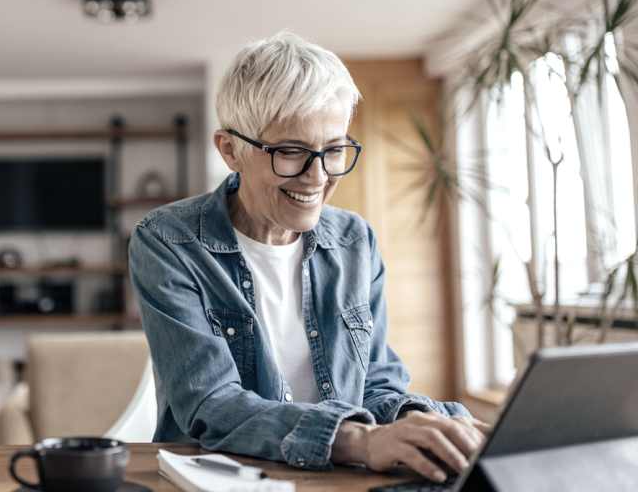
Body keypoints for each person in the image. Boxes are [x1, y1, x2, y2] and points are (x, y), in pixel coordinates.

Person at [128, 32, 487, 483]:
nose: (317, 176)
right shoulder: (168, 242)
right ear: (230, 149)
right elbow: (211, 404)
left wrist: (419, 423)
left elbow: (377, 383)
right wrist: (360, 441)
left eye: (334, 149)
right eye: (291, 151)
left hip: (339, 477)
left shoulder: (355, 240)